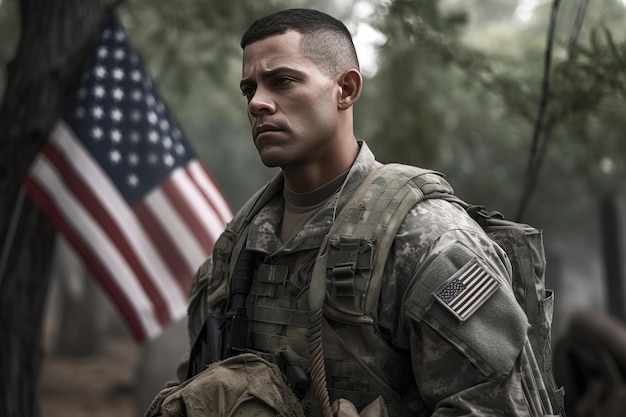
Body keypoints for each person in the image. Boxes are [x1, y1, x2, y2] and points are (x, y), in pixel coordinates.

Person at [146, 8, 561, 417]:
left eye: (282, 81)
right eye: (249, 89)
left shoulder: (426, 238)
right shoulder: (240, 243)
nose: (258, 103)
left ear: (345, 89)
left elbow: (503, 406)